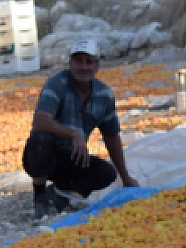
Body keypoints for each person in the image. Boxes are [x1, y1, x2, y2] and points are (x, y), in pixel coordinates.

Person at [24, 39, 139, 219]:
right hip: (47, 154)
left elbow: (111, 136)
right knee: (41, 140)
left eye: (89, 61)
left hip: (73, 158)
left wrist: (125, 177)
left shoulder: (104, 95)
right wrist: (73, 134)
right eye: (78, 61)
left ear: (96, 66)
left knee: (107, 173)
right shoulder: (57, 83)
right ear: (70, 64)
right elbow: (39, 121)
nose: (83, 67)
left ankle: (59, 193)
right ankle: (39, 196)